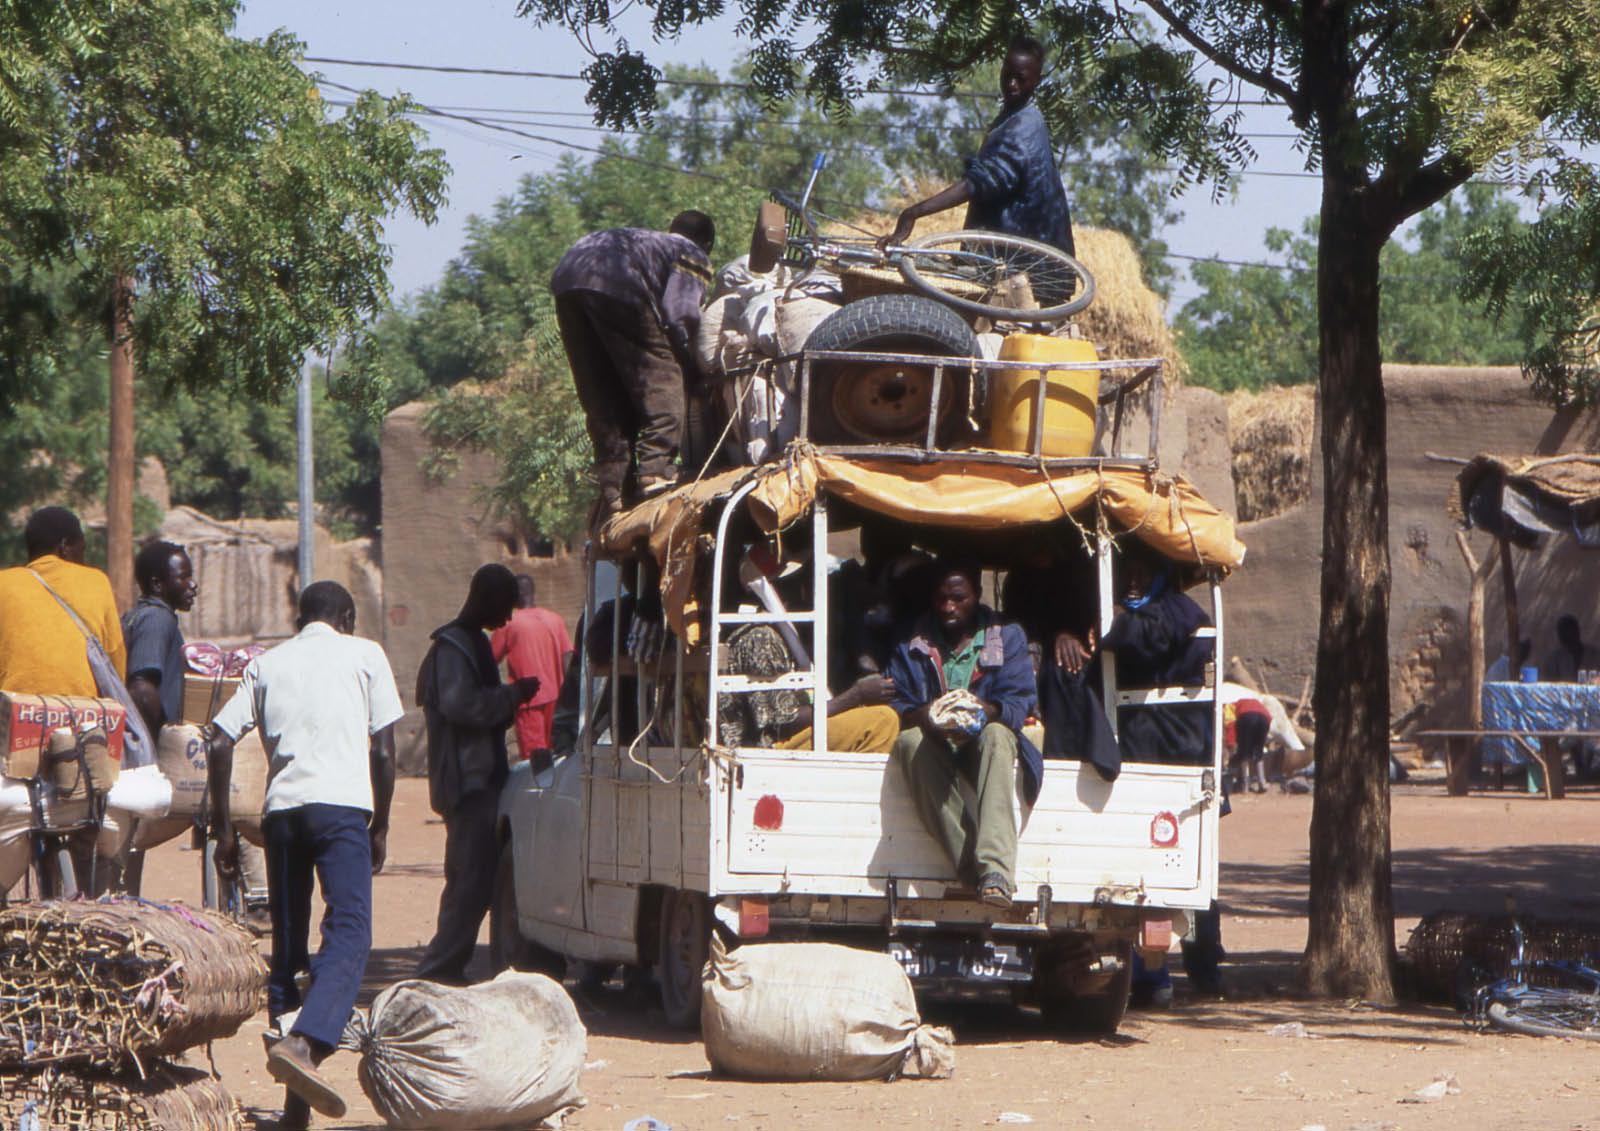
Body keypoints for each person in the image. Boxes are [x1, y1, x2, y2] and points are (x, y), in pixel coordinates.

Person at [208, 581, 402, 1127]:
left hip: (283, 814)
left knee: (290, 945)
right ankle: (309, 1044)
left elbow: (220, 740)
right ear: (345, 616)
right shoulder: (366, 654)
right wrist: (381, 824)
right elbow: (384, 750)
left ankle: (296, 1105)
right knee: (350, 930)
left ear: (301, 617)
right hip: (341, 811)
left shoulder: (270, 662)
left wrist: (225, 832)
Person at [886, 560, 1041, 909]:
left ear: (978, 595)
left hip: (982, 742)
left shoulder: (1007, 635)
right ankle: (978, 876)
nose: (949, 607)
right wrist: (926, 716)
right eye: (941, 599)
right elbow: (895, 702)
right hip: (935, 743)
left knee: (1000, 735)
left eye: (958, 598)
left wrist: (983, 711)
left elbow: (1020, 701)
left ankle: (997, 870)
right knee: (908, 741)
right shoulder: (912, 640)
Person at [416, 564, 543, 984]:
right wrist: (511, 696)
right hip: (466, 784)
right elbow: (463, 707)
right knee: (468, 882)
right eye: (504, 607)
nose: (508, 620)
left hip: (479, 780)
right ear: (485, 599)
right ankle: (438, 970)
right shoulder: (453, 649)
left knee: (475, 879)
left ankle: (447, 968)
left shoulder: (472, 645)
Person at [551, 211, 716, 516]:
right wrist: (687, 363)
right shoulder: (692, 253)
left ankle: (615, 487)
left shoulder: (648, 242)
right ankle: (655, 471)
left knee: (602, 392)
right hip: (617, 283)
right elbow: (679, 312)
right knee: (665, 380)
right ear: (707, 243)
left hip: (568, 277)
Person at [882, 37, 1075, 260]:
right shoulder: (1010, 117)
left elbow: (979, 183)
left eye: (1020, 79)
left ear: (1037, 81)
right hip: (1005, 253)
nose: (1012, 84)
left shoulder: (1024, 126)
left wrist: (913, 213)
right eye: (1007, 76)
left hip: (1024, 261)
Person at [0, 506, 125, 698]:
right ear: (65, 546)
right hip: (82, 713)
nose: (84, 560)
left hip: (14, 711)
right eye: (82, 549)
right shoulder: (96, 581)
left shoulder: (4, 583)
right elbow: (115, 660)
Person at [490, 574, 573, 766]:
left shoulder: (508, 623)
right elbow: (568, 658)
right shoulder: (555, 619)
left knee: (533, 761)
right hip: (558, 701)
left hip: (528, 702)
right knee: (558, 756)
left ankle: (539, 795)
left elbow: (488, 660)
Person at [1542, 614, 1600, 683]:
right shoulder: (1554, 659)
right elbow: (1548, 683)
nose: (1567, 634)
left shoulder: (1594, 655)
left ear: (1577, 631)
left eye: (1569, 630)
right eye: (1562, 631)